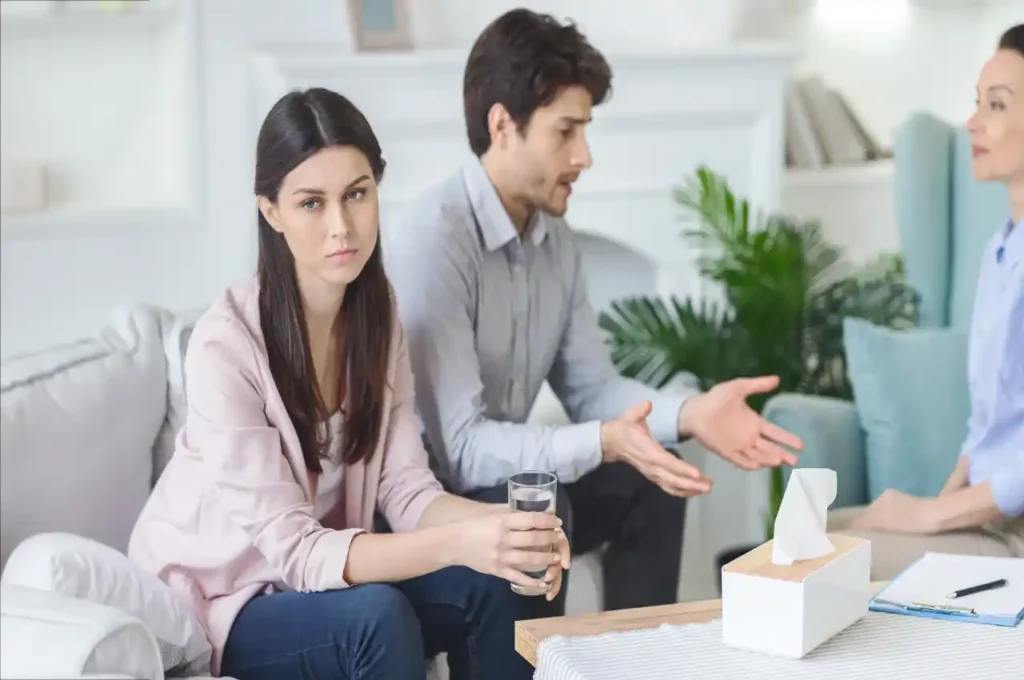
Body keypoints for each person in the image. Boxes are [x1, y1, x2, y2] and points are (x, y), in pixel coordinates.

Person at [127, 87, 569, 680]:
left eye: (357, 194)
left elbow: (408, 492)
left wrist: (505, 534)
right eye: (312, 203)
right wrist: (464, 542)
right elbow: (298, 553)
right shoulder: (223, 346)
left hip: (323, 578)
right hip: (222, 604)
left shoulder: (377, 315)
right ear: (272, 211)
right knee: (376, 616)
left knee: (510, 562)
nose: (342, 226)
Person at [386, 8, 803, 617]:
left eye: (585, 131)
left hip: (510, 479)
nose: (584, 156)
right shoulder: (436, 240)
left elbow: (594, 388)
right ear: (503, 126)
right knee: (543, 503)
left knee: (652, 483)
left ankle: (639, 662)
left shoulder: (555, 239)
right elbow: (460, 452)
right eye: (565, 131)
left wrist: (690, 413)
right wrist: (601, 442)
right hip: (434, 505)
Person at [829, 24, 1024, 579]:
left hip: (1017, 531)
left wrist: (932, 515)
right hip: (985, 518)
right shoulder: (1000, 249)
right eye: (976, 103)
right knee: (815, 532)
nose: (973, 121)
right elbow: (989, 427)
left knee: (818, 557)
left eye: (997, 105)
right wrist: (930, 513)